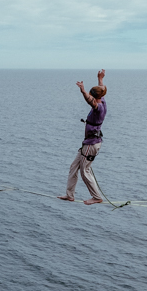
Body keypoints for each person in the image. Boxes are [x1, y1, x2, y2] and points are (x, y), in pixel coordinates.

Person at [59, 69, 108, 205]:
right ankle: (70, 195)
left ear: (94, 97)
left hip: (91, 144)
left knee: (85, 171)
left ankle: (96, 196)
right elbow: (102, 89)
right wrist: (100, 78)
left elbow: (89, 101)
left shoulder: (98, 107)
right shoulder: (102, 100)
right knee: (74, 166)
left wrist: (82, 90)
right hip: (88, 142)